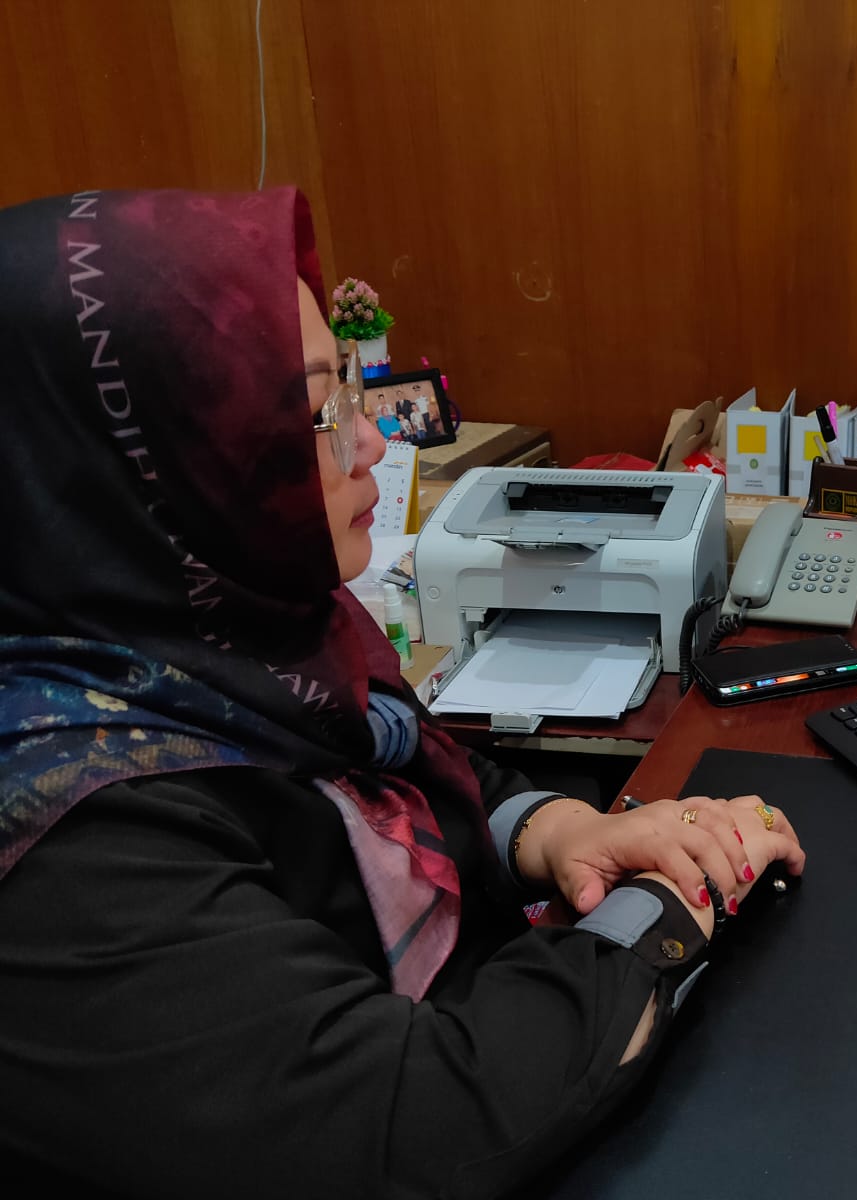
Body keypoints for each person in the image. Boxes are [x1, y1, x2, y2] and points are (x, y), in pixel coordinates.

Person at [0, 187, 807, 1195]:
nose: (372, 443)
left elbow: (424, 774)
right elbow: (417, 1120)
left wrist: (559, 829)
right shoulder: (68, 845)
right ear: (139, 469)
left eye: (348, 392)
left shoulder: (246, 635)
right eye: (315, 411)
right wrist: (676, 899)